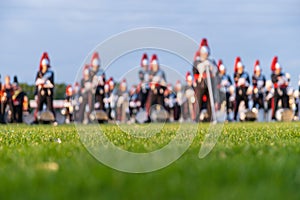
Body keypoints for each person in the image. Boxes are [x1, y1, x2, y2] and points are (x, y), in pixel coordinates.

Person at [192, 38, 219, 122]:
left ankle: (211, 118)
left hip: (210, 83)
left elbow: (216, 71)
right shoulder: (197, 61)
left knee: (210, 101)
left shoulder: (211, 61)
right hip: (201, 84)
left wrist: (211, 66)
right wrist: (202, 66)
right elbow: (195, 71)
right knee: (198, 101)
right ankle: (196, 119)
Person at [34, 52, 56, 124]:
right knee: (39, 107)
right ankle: (36, 120)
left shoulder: (50, 73)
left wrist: (45, 83)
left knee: (50, 107)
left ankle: (53, 120)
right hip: (41, 92)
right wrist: (36, 93)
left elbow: (52, 84)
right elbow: (36, 83)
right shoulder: (39, 73)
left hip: (48, 93)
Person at [233, 56, 250, 121]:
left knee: (246, 104)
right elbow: (236, 82)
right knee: (237, 104)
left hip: (245, 91)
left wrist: (245, 83)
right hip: (238, 91)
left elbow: (248, 82)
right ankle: (235, 118)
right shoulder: (236, 74)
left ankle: (247, 117)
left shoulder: (246, 74)